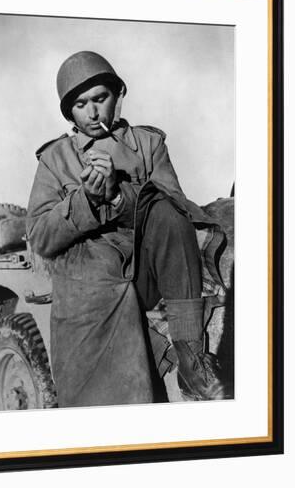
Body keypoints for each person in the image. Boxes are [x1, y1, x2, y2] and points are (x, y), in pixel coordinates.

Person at [26, 51, 227, 408]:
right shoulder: (55, 159)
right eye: (80, 105)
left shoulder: (148, 143)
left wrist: (119, 196)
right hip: (91, 284)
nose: (92, 113)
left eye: (100, 99)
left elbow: (177, 208)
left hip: (151, 273)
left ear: (117, 96)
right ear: (69, 112)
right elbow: (40, 236)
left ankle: (192, 361)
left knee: (168, 210)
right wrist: (86, 199)